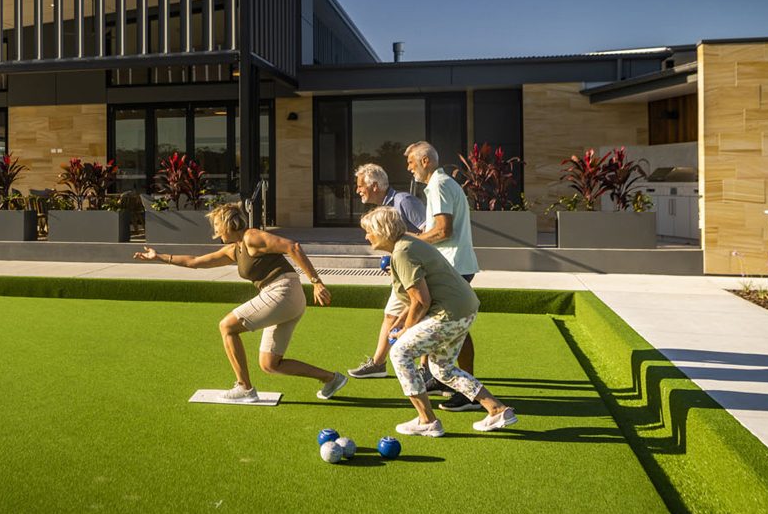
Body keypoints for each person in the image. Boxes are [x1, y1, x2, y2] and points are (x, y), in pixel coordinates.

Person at [133, 203, 349, 402]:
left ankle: (244, 388)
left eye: (217, 225)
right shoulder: (234, 250)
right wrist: (159, 256)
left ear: (228, 224)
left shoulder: (251, 237)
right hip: (287, 298)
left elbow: (293, 246)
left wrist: (317, 283)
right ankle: (331, 378)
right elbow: (196, 262)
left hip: (283, 291)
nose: (215, 231)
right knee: (270, 364)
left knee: (227, 326)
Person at [359, 205, 517, 436]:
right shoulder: (406, 244)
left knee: (400, 353)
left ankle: (427, 421)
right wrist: (402, 321)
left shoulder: (402, 252)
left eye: (369, 230)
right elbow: (418, 297)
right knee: (442, 369)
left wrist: (405, 331)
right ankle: (496, 409)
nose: (366, 236)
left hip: (449, 313)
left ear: (382, 230)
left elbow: (422, 301)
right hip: (464, 309)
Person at [406, 140, 483, 412]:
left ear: (425, 161)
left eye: (411, 162)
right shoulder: (444, 183)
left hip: (454, 267)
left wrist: (412, 240)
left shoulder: (438, 185)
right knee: (438, 322)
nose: (409, 168)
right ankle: (437, 377)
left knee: (455, 327)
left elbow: (442, 231)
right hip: (455, 264)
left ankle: (468, 390)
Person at [348, 163, 426, 380]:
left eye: (360, 185)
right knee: (391, 315)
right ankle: (378, 364)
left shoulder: (404, 201)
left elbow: (430, 232)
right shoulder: (382, 207)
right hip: (400, 269)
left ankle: (425, 369)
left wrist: (403, 251)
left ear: (374, 185)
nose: (357, 190)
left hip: (416, 270)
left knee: (419, 315)